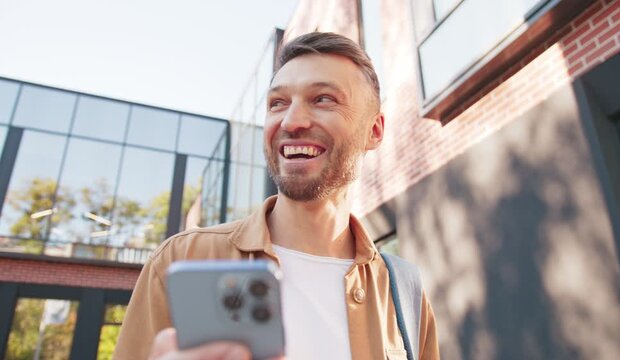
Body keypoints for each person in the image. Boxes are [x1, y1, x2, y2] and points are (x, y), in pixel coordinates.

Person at [113, 32, 439, 360]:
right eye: (277, 103)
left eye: (323, 99)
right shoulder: (183, 259)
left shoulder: (405, 293)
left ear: (375, 130)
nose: (291, 121)